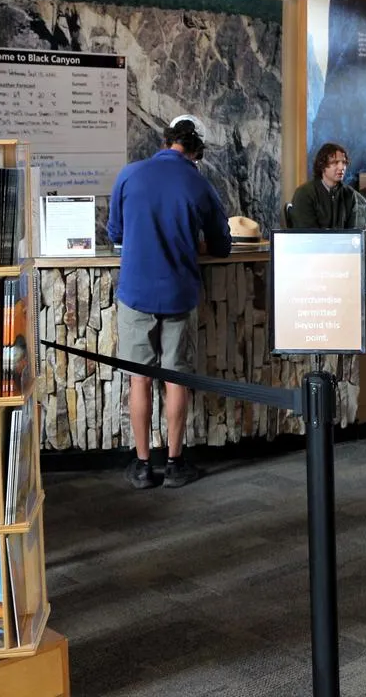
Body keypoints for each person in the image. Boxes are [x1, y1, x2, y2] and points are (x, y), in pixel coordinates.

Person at [107, 116, 231, 488]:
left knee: (140, 380)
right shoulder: (198, 181)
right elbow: (223, 244)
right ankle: (176, 463)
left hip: (136, 293)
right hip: (179, 293)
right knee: (176, 378)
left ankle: (143, 466)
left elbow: (115, 233)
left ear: (165, 141)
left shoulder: (129, 174)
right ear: (195, 152)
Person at [291, 142, 366, 230]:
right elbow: (308, 236)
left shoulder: (349, 194)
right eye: (335, 162)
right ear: (322, 166)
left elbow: (351, 233)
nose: (341, 167)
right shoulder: (304, 194)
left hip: (343, 243)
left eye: (344, 162)